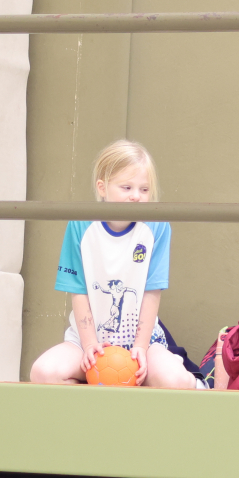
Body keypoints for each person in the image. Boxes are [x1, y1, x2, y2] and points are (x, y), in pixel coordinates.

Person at [28, 140, 199, 388]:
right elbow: (78, 291)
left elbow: (152, 291)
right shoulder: (80, 225)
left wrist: (141, 347)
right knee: (43, 373)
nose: (136, 196)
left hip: (143, 343)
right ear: (102, 188)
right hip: (87, 340)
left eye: (144, 189)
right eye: (126, 187)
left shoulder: (157, 226)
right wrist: (89, 345)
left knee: (176, 381)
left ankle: (186, 384)